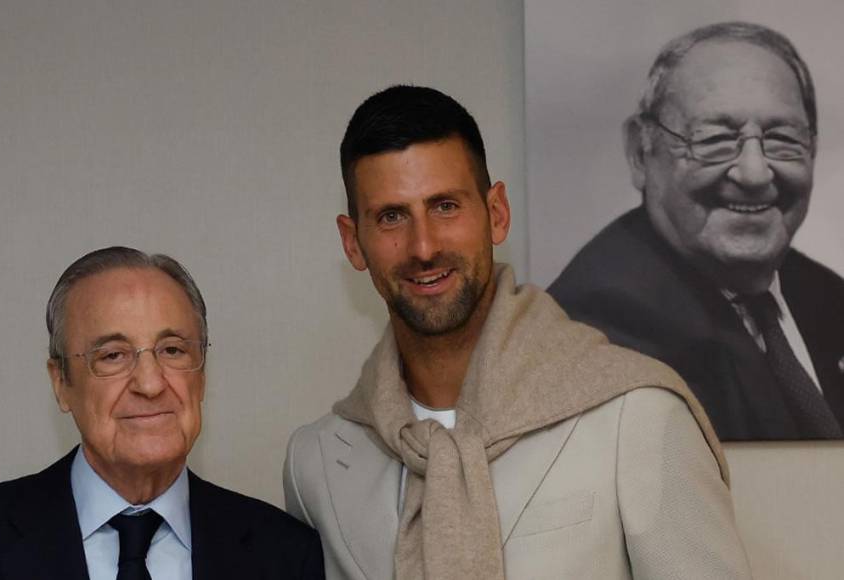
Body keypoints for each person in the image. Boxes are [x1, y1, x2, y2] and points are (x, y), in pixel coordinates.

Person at [283, 85, 751, 579]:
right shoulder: (314, 464)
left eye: (445, 206)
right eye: (391, 217)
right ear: (353, 243)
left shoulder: (639, 415)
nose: (422, 246)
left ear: (497, 213)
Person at [0, 246, 324, 580]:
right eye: (113, 355)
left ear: (203, 375)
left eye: (173, 350)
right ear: (61, 383)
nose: (151, 383)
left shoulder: (285, 555)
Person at [548, 21, 844, 441]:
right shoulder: (604, 325)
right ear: (640, 152)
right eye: (715, 139)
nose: (755, 173)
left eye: (782, 138)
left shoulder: (822, 294)